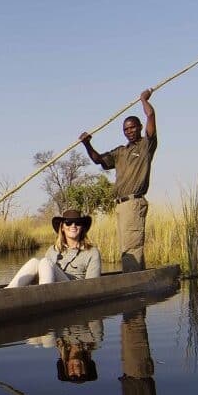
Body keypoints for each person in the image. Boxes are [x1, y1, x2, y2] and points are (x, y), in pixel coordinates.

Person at [78, 88, 158, 272]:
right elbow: (99, 160)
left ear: (139, 127)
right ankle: (134, 279)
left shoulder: (146, 146)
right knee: (126, 248)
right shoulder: (120, 152)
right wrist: (87, 143)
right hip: (120, 205)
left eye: (132, 127)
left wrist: (143, 99)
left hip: (133, 202)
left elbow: (151, 115)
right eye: (126, 129)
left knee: (131, 247)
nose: (129, 131)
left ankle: (134, 283)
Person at [6, 209, 101, 288]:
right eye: (68, 223)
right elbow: (44, 273)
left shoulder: (92, 252)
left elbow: (92, 286)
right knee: (35, 261)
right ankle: (7, 293)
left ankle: (44, 297)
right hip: (54, 288)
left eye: (78, 223)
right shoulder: (53, 250)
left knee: (45, 262)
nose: (73, 226)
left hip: (74, 290)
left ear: (82, 227)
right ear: (62, 227)